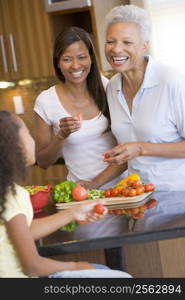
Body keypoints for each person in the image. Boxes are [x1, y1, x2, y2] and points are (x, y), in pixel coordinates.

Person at [0, 110, 132, 278]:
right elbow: (33, 267)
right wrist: (77, 266)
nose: (31, 138)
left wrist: (74, 212)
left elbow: (23, 231)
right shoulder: (11, 195)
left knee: (103, 271)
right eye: (26, 132)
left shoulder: (7, 192)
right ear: (13, 146)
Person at [33, 26, 130, 239]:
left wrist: (96, 183)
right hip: (82, 200)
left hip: (123, 195)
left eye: (81, 57)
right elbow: (43, 161)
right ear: (58, 62)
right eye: (67, 59)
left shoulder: (109, 88)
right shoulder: (46, 101)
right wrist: (61, 135)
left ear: (92, 59)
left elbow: (127, 148)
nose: (76, 65)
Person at [101, 4, 185, 231]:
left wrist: (141, 148)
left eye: (127, 42)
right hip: (138, 200)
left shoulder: (171, 81)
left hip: (178, 198)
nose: (116, 49)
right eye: (111, 41)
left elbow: (137, 147)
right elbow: (127, 150)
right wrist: (91, 185)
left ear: (145, 45)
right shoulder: (113, 87)